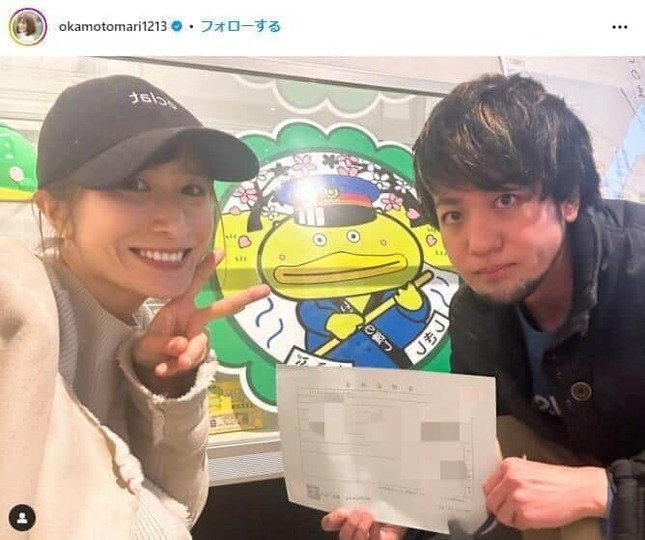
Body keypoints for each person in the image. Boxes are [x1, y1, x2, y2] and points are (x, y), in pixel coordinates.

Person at [321, 73, 645, 539]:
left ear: (570, 198)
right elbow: (471, 454)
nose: (478, 243)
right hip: (579, 479)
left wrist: (607, 492)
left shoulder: (635, 270)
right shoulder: (476, 315)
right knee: (498, 435)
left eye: (506, 199)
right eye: (454, 214)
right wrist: (409, 512)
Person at [0, 74, 270, 538]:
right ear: (55, 211)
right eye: (136, 184)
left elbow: (178, 506)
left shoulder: (140, 332)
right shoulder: (20, 309)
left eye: (192, 189)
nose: (175, 222)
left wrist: (162, 383)